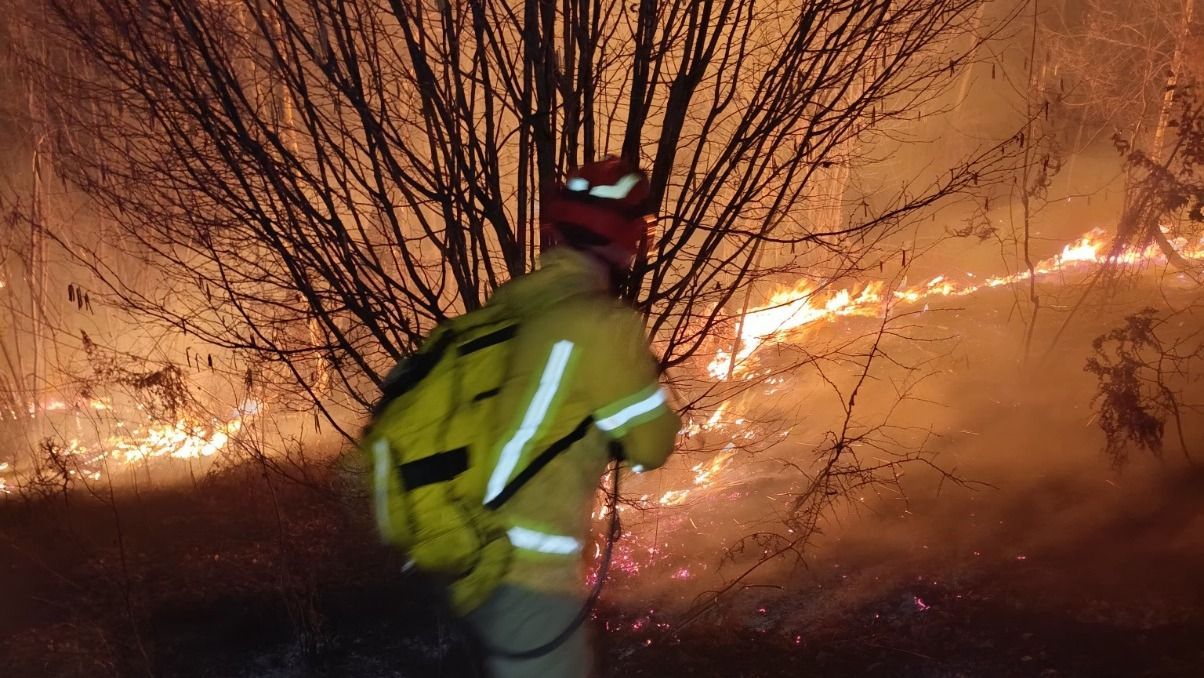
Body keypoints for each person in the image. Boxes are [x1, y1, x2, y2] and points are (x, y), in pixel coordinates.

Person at [462, 157, 681, 677]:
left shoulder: (508, 308)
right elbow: (652, 446)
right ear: (628, 238)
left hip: (468, 559)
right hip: (532, 580)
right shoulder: (602, 324)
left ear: (555, 234)